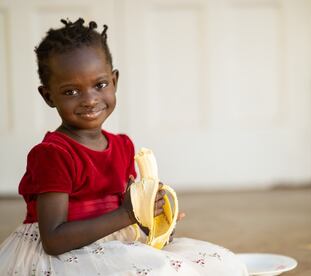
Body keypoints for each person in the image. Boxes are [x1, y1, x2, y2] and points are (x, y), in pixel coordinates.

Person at [0, 18, 248, 275]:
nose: (89, 99)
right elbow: (54, 240)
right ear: (48, 96)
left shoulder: (122, 146)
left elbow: (127, 209)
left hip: (117, 243)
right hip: (66, 255)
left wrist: (155, 216)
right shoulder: (53, 154)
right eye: (71, 91)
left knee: (221, 263)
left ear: (114, 81)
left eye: (100, 85)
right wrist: (130, 214)